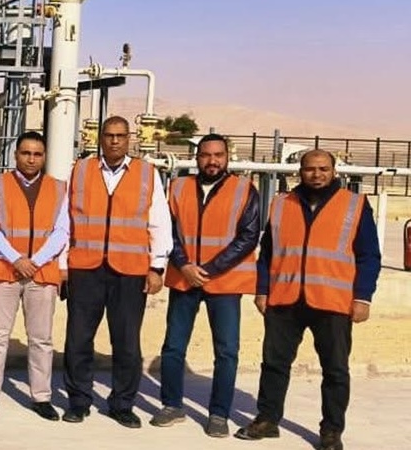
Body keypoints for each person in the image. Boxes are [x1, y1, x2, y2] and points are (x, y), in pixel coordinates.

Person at [235, 149, 382, 450]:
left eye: (324, 169)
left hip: (333, 302)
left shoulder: (354, 205)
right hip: (284, 299)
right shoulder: (281, 204)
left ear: (334, 171)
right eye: (310, 169)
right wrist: (262, 290)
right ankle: (267, 420)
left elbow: (369, 256)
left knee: (335, 370)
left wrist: (363, 297)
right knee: (274, 364)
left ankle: (331, 431)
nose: (317, 175)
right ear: (299, 172)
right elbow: (267, 253)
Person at [62, 115, 172, 427]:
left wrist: (157, 267)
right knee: (78, 339)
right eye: (109, 135)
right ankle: (78, 401)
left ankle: (122, 404)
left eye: (120, 136)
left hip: (130, 272)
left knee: (126, 343)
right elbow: (64, 219)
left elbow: (159, 222)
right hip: (85, 268)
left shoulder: (147, 174)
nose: (114, 141)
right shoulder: (79, 170)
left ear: (129, 139)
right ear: (100, 138)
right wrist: (62, 265)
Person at [149, 133, 261, 437]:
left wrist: (209, 270)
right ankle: (172, 405)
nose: (212, 161)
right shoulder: (178, 187)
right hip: (184, 279)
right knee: (173, 347)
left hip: (224, 283)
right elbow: (168, 230)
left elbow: (248, 236)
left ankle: (218, 414)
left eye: (218, 155)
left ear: (227, 157)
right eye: (206, 155)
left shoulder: (244, 189)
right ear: (197, 158)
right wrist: (184, 265)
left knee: (226, 351)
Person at [0, 131, 69, 421]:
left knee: (41, 339)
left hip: (42, 272)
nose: (31, 159)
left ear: (44, 157)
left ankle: (41, 397)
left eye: (37, 154)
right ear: (16, 155)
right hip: (5, 270)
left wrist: (34, 261)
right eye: (26, 153)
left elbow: (62, 230)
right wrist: (16, 258)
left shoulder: (58, 188)